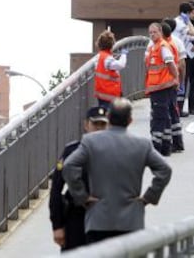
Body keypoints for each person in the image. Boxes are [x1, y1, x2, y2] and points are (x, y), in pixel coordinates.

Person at [62, 98, 172, 244]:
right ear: (130, 120)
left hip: (98, 220)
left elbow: (69, 166)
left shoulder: (91, 142)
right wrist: (149, 197)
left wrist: (81, 196)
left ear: (108, 118)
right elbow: (165, 170)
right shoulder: (142, 145)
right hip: (131, 222)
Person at [49, 106, 108, 251]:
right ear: (86, 125)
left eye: (103, 124)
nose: (99, 129)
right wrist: (57, 226)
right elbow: (56, 189)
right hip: (76, 219)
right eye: (96, 124)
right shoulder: (72, 151)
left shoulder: (116, 152)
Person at [145, 22, 180, 156]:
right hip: (157, 88)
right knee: (163, 117)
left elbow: (170, 63)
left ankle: (157, 147)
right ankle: (165, 147)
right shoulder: (154, 47)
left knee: (158, 119)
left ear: (160, 32)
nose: (152, 35)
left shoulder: (162, 47)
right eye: (150, 33)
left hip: (162, 87)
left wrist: (175, 78)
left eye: (154, 32)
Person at [161, 20, 185, 152]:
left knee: (163, 115)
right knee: (173, 113)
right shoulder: (177, 42)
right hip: (171, 84)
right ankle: (178, 143)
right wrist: (180, 82)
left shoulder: (157, 44)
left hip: (161, 85)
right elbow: (182, 65)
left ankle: (166, 144)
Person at [174, 2, 194, 117]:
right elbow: (193, 32)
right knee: (181, 81)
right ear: (187, 13)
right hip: (178, 56)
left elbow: (193, 36)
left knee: (181, 81)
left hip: (180, 54)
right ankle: (177, 109)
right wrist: (188, 21)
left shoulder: (178, 22)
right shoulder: (180, 23)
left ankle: (178, 108)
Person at [94, 30, 128, 109]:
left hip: (101, 93)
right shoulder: (107, 58)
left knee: (103, 115)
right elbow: (121, 65)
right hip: (110, 94)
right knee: (111, 117)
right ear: (111, 44)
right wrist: (124, 55)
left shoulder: (99, 57)